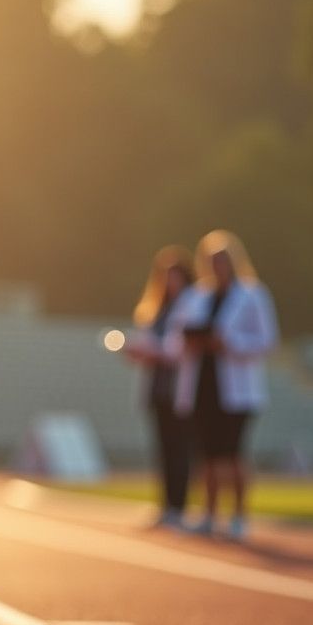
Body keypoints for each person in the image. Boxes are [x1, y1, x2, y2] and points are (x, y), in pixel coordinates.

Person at [164, 230, 278, 541]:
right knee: (208, 456)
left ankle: (239, 514)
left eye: (222, 261)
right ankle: (209, 513)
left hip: (237, 389)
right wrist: (193, 342)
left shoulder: (253, 294)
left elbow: (268, 341)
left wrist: (228, 343)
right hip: (203, 385)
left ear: (233, 261)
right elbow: (175, 339)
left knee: (232, 453)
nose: (217, 267)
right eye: (211, 262)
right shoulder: (197, 297)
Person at [122, 246, 195, 530]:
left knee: (180, 449)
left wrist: (154, 352)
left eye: (175, 276)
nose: (170, 282)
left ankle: (180, 506)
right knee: (163, 449)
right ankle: (167, 505)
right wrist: (136, 351)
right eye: (166, 276)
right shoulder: (156, 309)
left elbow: (178, 350)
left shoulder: (191, 305)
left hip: (180, 388)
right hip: (158, 388)